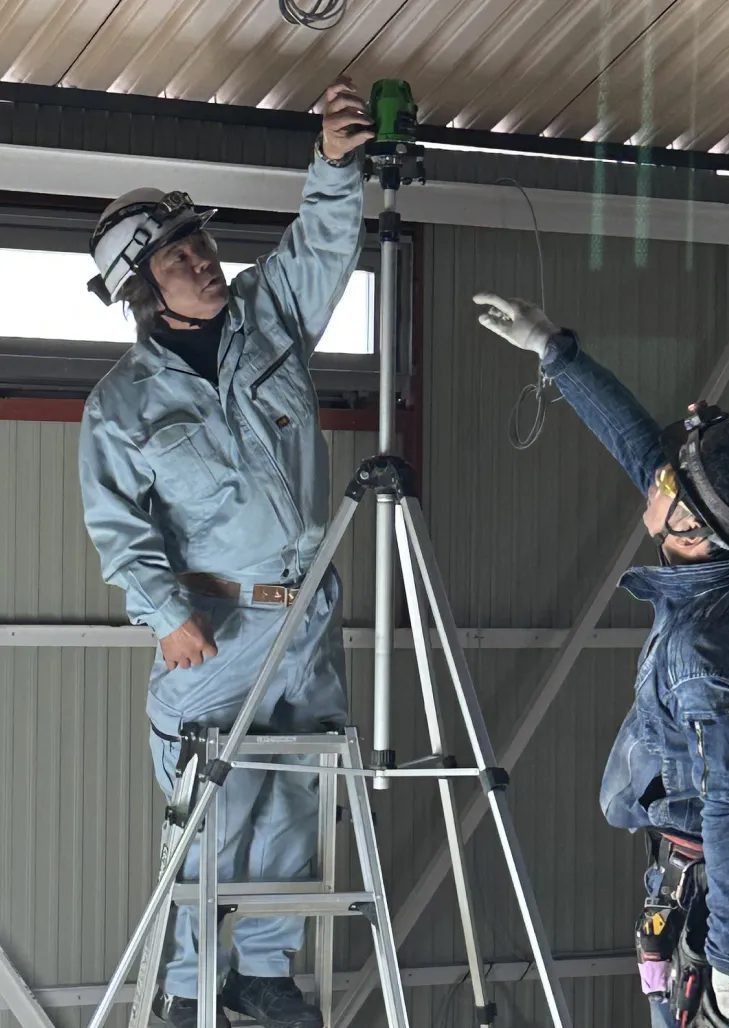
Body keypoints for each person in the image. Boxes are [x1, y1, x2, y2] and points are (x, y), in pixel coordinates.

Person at [78, 78, 374, 1028]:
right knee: (212, 807)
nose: (205, 261)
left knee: (295, 793)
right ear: (143, 288)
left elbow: (323, 243)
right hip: (219, 624)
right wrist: (169, 618)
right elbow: (118, 526)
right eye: (179, 258)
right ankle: (183, 989)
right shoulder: (122, 405)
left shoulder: (272, 319)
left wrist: (332, 164)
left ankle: (263, 970)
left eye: (201, 245)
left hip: (309, 609)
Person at [474, 294, 729, 1028]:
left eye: (671, 484)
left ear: (692, 531)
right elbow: (641, 447)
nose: (655, 477)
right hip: (701, 880)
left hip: (715, 899)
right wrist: (554, 352)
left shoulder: (706, 655)